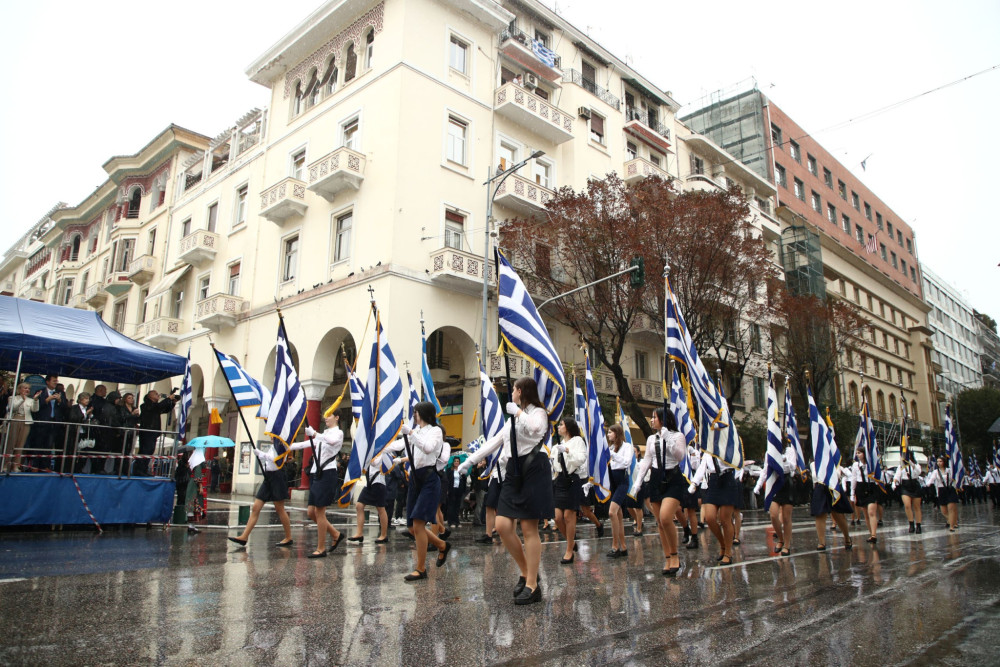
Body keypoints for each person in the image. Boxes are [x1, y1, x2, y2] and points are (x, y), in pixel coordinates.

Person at [459, 377, 551, 605]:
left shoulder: (538, 412)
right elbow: (495, 441)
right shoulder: (512, 419)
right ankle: (526, 570)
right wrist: (469, 460)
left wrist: (519, 414)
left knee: (529, 528)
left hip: (532, 469)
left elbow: (536, 428)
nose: (511, 395)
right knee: (502, 525)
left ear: (520, 391)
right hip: (513, 471)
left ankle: (532, 585)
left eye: (514, 391)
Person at [386, 401, 451, 581]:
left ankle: (421, 569)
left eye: (416, 412)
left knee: (419, 524)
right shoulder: (417, 432)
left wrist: (412, 433)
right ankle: (441, 545)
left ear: (422, 413)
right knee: (412, 527)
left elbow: (428, 447)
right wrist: (379, 448)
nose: (414, 415)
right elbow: (399, 445)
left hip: (429, 478)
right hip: (415, 478)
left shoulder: (435, 431)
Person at [631, 408, 687, 576]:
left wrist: (668, 439)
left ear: (663, 419)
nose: (652, 420)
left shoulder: (677, 436)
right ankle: (668, 556)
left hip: (673, 478)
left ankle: (675, 554)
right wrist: (638, 482)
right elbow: (648, 459)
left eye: (654, 417)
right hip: (656, 479)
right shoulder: (651, 439)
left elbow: (679, 456)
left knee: (666, 517)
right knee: (660, 523)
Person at [227, 444, 295, 549]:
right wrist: (260, 454)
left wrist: (261, 454)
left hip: (278, 477)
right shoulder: (273, 446)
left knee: (280, 509)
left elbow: (275, 459)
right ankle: (244, 536)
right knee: (256, 507)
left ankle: (288, 537)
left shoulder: (282, 445)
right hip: (268, 477)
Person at [550, 418, 587, 564]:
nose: (559, 427)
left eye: (561, 424)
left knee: (568, 516)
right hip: (560, 481)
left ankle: (569, 550)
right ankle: (571, 542)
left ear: (568, 427)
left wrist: (567, 450)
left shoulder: (577, 440)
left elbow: (581, 458)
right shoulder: (556, 445)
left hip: (572, 479)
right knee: (557, 517)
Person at [695, 448, 741, 563]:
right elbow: (703, 466)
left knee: (725, 520)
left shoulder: (728, 443)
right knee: (710, 518)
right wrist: (695, 482)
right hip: (713, 480)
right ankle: (723, 544)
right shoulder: (708, 447)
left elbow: (733, 461)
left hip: (727, 478)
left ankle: (728, 552)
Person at [349, 447, 391, 545]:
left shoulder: (381, 450)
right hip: (369, 482)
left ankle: (384, 535)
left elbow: (374, 462)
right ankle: (359, 533)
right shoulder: (370, 449)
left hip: (378, 482)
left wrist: (366, 454)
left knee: (381, 508)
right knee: (359, 505)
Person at [809, 460, 853, 551]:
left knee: (838, 515)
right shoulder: (813, 464)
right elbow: (814, 478)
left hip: (832, 487)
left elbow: (837, 475)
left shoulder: (834, 462)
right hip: (819, 488)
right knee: (820, 514)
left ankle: (847, 537)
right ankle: (821, 542)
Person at [606, 423, 635, 558]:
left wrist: (613, 454)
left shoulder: (627, 446)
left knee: (612, 512)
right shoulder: (611, 447)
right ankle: (623, 546)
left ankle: (615, 545)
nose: (608, 435)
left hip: (622, 481)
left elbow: (626, 462)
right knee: (618, 515)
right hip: (613, 481)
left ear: (617, 433)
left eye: (610, 432)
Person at [135, 389, 177, 476]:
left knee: (150, 451)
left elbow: (164, 409)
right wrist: (168, 399)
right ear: (150, 396)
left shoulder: (155, 407)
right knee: (145, 451)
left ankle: (144, 469)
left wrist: (172, 403)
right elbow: (158, 407)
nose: (158, 395)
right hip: (147, 431)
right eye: (156, 394)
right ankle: (139, 469)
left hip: (153, 432)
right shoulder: (146, 405)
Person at [851, 448, 881, 544]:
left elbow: (878, 475)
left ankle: (874, 535)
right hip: (861, 487)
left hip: (871, 486)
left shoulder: (871, 464)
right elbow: (854, 478)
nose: (858, 455)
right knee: (866, 513)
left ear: (865, 453)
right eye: (857, 453)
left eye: (859, 453)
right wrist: (852, 493)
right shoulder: (855, 465)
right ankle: (871, 533)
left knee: (871, 511)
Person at [6, 383, 38, 472]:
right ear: (20, 389)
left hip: (26, 422)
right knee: (11, 443)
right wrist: (22, 400)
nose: (27, 390)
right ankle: (5, 464)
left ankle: (16, 465)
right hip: (15, 420)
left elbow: (35, 409)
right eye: (25, 388)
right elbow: (13, 408)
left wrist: (35, 400)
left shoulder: (30, 400)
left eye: (28, 388)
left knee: (20, 445)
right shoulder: (12, 398)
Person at [925, 455, 960, 532]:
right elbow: (932, 479)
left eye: (940, 461)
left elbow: (956, 477)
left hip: (950, 490)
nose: (939, 463)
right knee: (943, 511)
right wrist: (927, 484)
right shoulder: (935, 472)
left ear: (944, 462)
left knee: (951, 509)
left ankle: (951, 526)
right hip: (941, 491)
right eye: (937, 461)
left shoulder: (949, 470)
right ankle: (952, 521)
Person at [892, 451, 924, 534]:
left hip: (914, 485)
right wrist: (894, 482)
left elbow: (918, 472)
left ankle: (918, 525)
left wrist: (912, 464)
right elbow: (897, 475)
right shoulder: (901, 466)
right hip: (905, 486)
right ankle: (911, 524)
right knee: (907, 505)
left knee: (917, 507)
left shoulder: (916, 465)